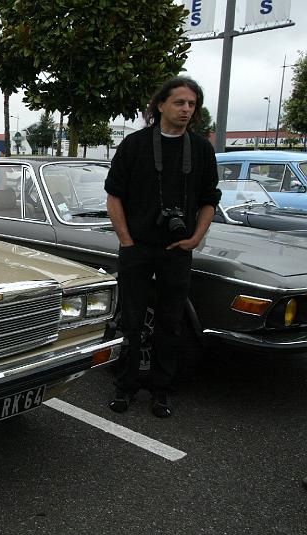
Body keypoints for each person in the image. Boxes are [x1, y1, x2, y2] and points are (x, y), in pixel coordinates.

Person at [104, 76, 221, 418]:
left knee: (170, 324)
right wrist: (126, 241)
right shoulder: (135, 145)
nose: (187, 110)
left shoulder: (200, 149)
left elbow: (209, 200)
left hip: (178, 250)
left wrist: (196, 237)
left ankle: (161, 391)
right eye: (180, 102)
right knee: (132, 322)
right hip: (137, 248)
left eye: (192, 105)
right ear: (160, 105)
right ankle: (124, 387)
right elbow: (114, 196)